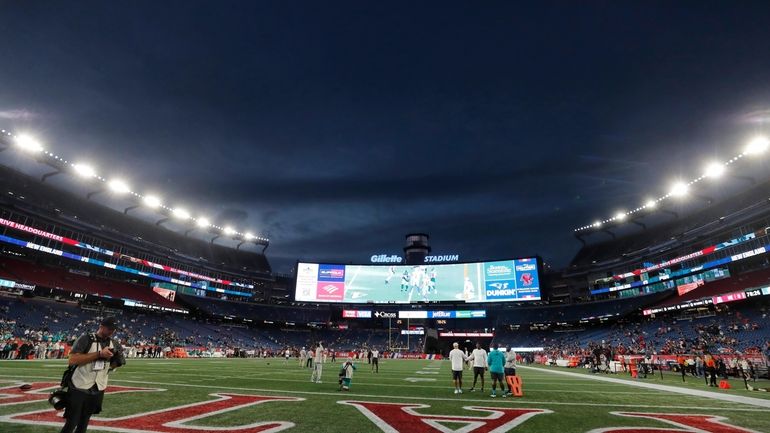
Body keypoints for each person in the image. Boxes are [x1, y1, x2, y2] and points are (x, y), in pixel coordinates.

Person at [61, 317, 125, 433]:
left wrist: (115, 362)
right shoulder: (86, 339)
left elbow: (115, 365)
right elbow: (72, 360)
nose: (112, 331)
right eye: (109, 328)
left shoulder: (114, 343)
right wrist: (99, 354)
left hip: (98, 386)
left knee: (84, 422)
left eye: (114, 329)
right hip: (79, 385)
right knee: (72, 422)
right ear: (101, 326)